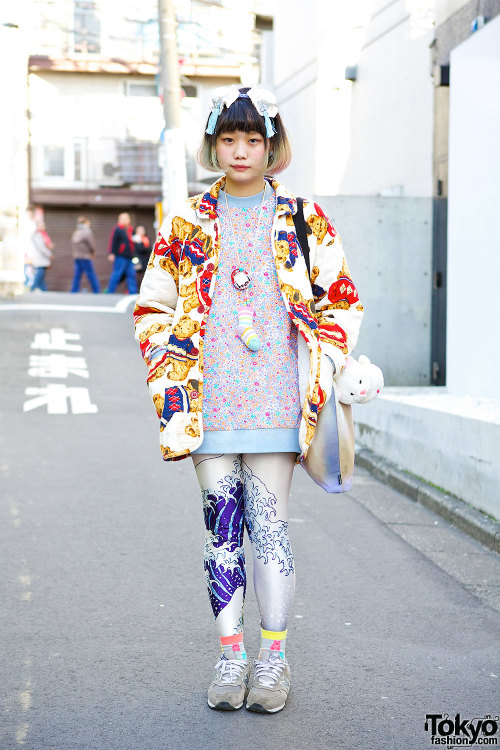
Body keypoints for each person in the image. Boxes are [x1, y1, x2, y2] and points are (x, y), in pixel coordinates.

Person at [133, 86, 364, 713]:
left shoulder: (303, 218)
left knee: (270, 529)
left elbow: (340, 300)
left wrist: (326, 360)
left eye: (252, 139)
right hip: (207, 403)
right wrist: (171, 364)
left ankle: (273, 662)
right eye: (229, 140)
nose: (240, 151)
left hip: (277, 404)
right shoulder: (185, 221)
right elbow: (152, 304)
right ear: (213, 144)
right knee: (222, 533)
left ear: (272, 146)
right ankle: (230, 656)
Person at [106, 212, 137, 294]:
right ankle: (110, 291)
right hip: (120, 256)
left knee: (131, 275)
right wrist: (111, 253)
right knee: (117, 274)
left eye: (126, 219)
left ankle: (133, 292)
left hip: (129, 256)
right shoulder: (117, 229)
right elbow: (112, 241)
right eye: (122, 219)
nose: (124, 220)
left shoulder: (130, 230)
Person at [70, 216, 100, 293]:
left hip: (77, 256)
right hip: (85, 256)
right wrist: (93, 252)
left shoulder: (77, 231)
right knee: (91, 274)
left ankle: (74, 290)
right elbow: (91, 243)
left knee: (77, 275)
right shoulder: (87, 231)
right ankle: (96, 290)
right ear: (86, 222)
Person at [31, 219, 54, 291]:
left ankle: (44, 290)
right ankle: (32, 288)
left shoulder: (43, 234)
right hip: (40, 258)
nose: (43, 226)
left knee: (41, 275)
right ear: (37, 226)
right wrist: (49, 254)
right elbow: (42, 247)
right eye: (41, 225)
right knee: (40, 274)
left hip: (43, 258)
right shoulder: (37, 235)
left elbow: (47, 244)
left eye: (43, 225)